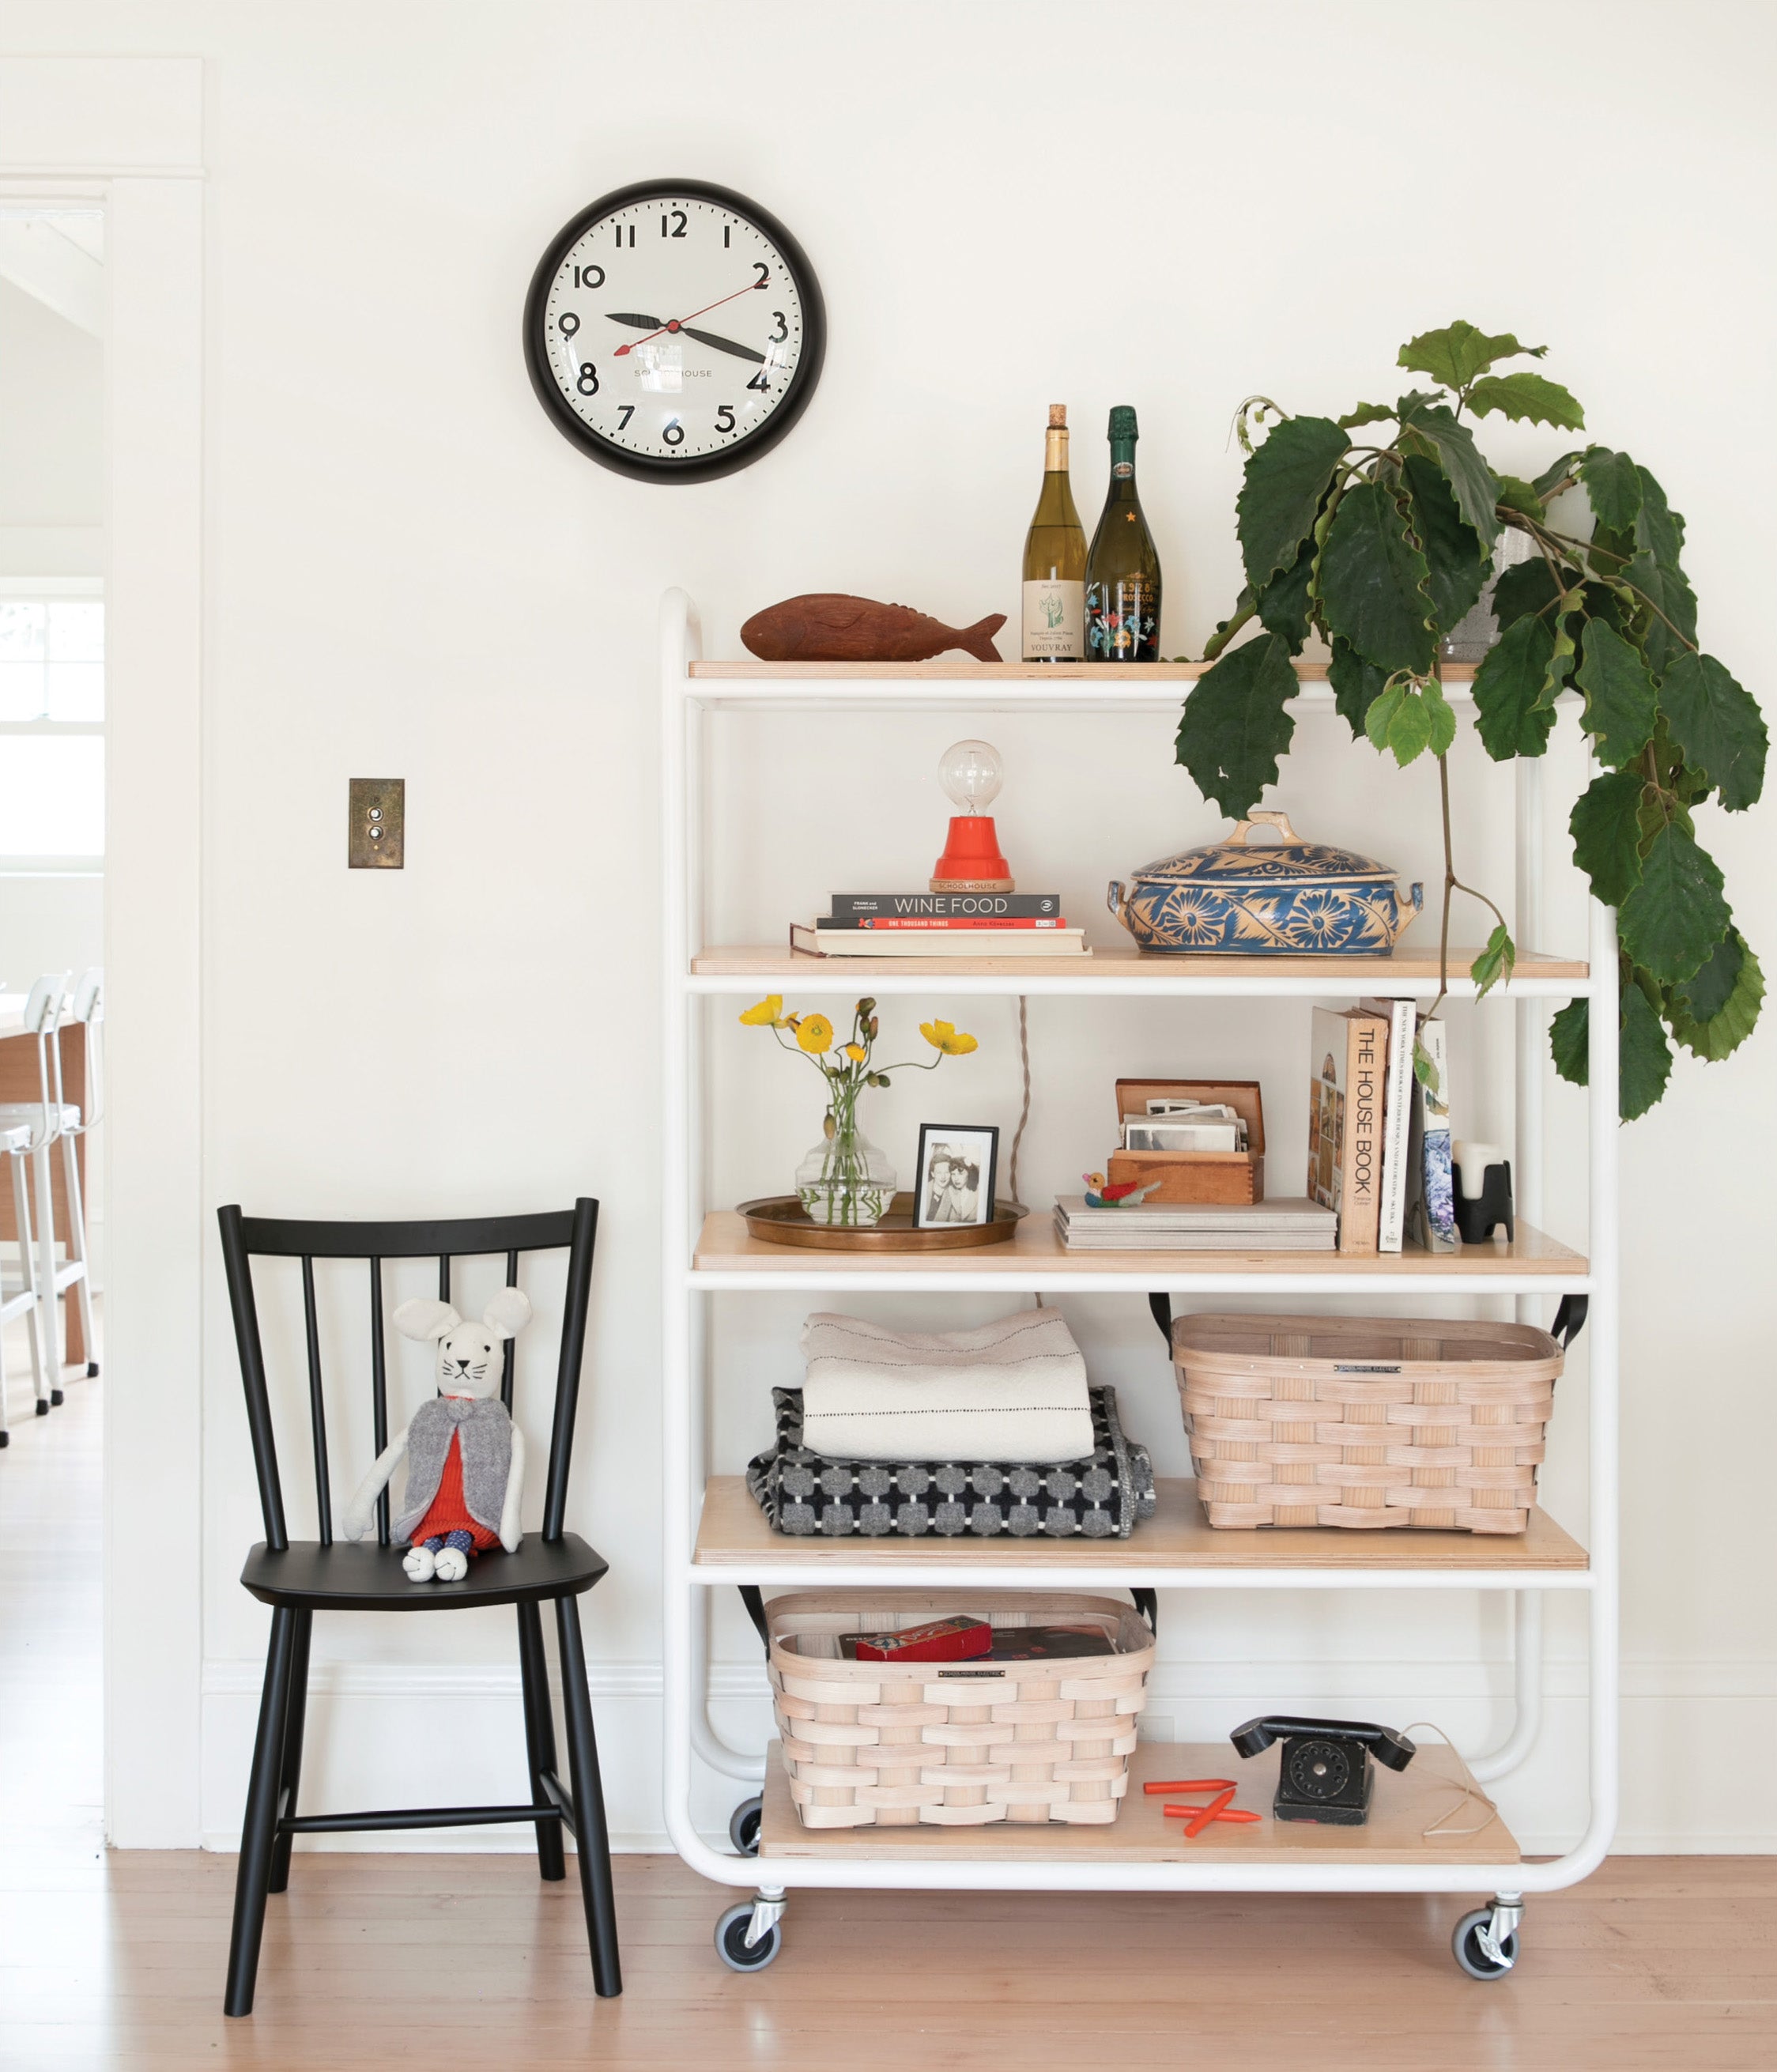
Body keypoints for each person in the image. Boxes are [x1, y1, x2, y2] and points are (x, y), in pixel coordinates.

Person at [922, 1152, 954, 1224]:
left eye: (947, 1172)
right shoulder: (924, 1190)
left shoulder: (954, 1194)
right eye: (939, 1173)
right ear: (933, 1174)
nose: (943, 1177)